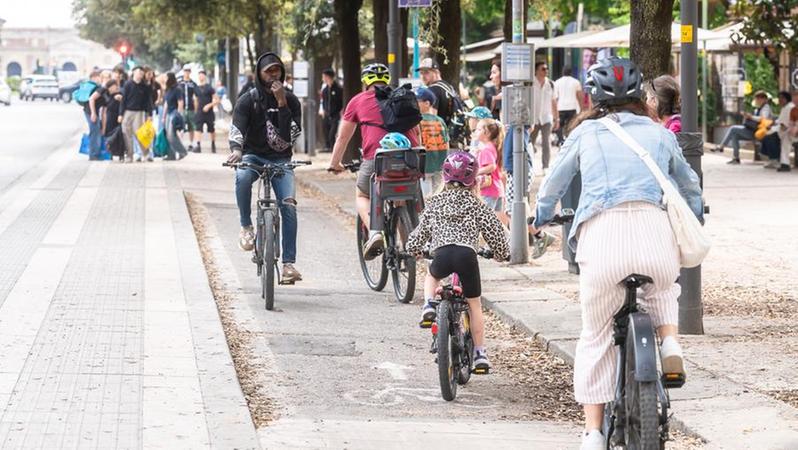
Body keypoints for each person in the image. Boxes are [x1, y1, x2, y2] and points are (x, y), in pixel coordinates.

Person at [530, 57, 703, 449]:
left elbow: (553, 185)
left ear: (593, 96)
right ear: (640, 94)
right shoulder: (660, 134)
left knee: (595, 336)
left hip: (603, 241)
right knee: (663, 288)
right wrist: (695, 215)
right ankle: (670, 343)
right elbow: (689, 185)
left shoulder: (585, 133)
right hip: (654, 234)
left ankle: (593, 433)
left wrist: (540, 217)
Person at [406, 151, 510, 373]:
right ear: (473, 179)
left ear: (444, 176)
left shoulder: (434, 203)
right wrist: (501, 254)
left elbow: (419, 234)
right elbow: (496, 235)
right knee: (474, 305)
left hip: (441, 255)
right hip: (466, 257)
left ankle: (428, 305)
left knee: (432, 275)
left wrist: (414, 250)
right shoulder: (477, 205)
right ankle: (480, 354)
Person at [327, 63, 420, 259]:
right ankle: (410, 250)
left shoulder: (358, 101)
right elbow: (417, 132)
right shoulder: (402, 97)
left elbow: (342, 138)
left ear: (365, 81)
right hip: (410, 159)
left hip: (377, 159)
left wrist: (334, 164)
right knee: (401, 197)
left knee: (362, 195)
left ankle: (375, 232)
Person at [227, 52, 303, 283]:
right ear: (259, 74)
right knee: (242, 176)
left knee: (288, 205)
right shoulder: (248, 100)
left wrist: (281, 103)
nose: (273, 75)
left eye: (277, 70)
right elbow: (237, 128)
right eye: (268, 71)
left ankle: (288, 264)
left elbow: (290, 137)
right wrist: (237, 151)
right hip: (253, 155)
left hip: (281, 159)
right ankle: (246, 226)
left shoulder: (291, 100)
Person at [715, 90, 773, 164]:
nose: (757, 101)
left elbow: (763, 118)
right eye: (756, 99)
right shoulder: (758, 109)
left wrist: (751, 117)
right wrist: (747, 116)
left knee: (733, 128)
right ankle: (736, 158)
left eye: (758, 99)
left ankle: (721, 146)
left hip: (759, 132)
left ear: (764, 99)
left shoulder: (766, 107)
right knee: (734, 135)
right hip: (753, 130)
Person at [415, 87, 449, 196]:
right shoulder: (440, 120)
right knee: (437, 195)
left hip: (424, 165)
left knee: (426, 196)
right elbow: (446, 143)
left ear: (427, 103)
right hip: (440, 164)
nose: (414, 104)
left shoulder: (417, 120)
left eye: (417, 101)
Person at [473, 119, 507, 224]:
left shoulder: (486, 149)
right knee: (495, 222)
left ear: (487, 133)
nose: (476, 131)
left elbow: (491, 166)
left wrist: (475, 172)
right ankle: (506, 234)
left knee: (485, 221)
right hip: (496, 189)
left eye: (479, 129)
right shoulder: (492, 146)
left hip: (488, 190)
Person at [118, 66, 153, 163]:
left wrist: (149, 114)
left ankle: (146, 154)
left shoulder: (144, 86)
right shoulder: (128, 84)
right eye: (138, 72)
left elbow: (148, 101)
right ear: (133, 73)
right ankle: (129, 155)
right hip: (128, 111)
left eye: (142, 74)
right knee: (126, 132)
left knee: (140, 134)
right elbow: (123, 100)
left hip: (139, 112)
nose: (140, 75)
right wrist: (120, 114)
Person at [530, 61, 559, 171]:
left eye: (547, 69)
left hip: (547, 118)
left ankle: (545, 166)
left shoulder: (551, 84)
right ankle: (529, 166)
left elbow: (554, 102)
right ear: (536, 70)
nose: (546, 71)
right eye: (543, 69)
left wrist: (556, 118)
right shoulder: (530, 83)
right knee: (530, 143)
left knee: (546, 143)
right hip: (533, 118)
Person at [417, 58, 459, 127]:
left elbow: (431, 118)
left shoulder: (433, 90)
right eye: (421, 73)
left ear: (437, 72)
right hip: (451, 129)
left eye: (426, 72)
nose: (423, 76)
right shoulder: (448, 87)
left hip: (441, 131)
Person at [760, 91, 794, 172]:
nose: (780, 100)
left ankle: (778, 160)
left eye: (782, 98)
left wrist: (773, 128)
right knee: (766, 135)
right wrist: (773, 124)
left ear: (786, 99)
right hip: (785, 129)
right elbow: (780, 120)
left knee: (771, 136)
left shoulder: (790, 107)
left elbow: (785, 124)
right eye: (779, 98)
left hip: (789, 130)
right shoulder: (785, 107)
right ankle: (774, 159)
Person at [553, 65, 583, 145]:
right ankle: (569, 139)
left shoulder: (557, 82)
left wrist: (554, 110)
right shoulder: (576, 82)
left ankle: (561, 140)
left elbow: (555, 97)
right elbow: (579, 96)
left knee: (560, 125)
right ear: (571, 72)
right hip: (572, 107)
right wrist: (581, 108)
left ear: (563, 72)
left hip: (561, 107)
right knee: (571, 125)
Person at [162, 72, 188, 161]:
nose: (164, 79)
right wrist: (163, 116)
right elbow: (166, 103)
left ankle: (182, 152)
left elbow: (180, 102)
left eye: (166, 77)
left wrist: (178, 114)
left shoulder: (177, 89)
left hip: (174, 113)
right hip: (168, 114)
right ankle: (171, 154)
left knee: (171, 135)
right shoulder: (168, 89)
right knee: (168, 135)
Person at [194, 70, 220, 153]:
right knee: (198, 128)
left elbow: (217, 100)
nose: (200, 77)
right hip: (200, 111)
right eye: (199, 75)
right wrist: (195, 111)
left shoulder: (209, 88)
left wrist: (209, 106)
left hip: (209, 112)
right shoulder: (196, 88)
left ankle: (213, 144)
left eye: (202, 75)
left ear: (205, 76)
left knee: (211, 129)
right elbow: (196, 100)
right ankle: (198, 146)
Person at [320, 68, 343, 153]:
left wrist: (341, 111)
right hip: (327, 114)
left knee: (332, 133)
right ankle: (328, 147)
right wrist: (323, 110)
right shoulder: (325, 90)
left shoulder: (338, 89)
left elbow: (341, 102)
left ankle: (334, 150)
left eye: (324, 77)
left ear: (328, 77)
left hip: (336, 114)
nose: (323, 78)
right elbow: (323, 101)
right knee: (325, 130)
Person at [82, 70, 103, 160]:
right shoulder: (95, 87)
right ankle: (93, 155)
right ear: (94, 77)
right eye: (99, 77)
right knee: (94, 133)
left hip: (88, 111)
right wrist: (93, 113)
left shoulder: (89, 86)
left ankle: (93, 154)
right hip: (91, 112)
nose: (100, 79)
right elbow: (91, 99)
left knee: (94, 132)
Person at [178, 64, 199, 152]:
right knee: (180, 126)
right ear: (183, 71)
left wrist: (196, 109)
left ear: (190, 72)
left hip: (190, 107)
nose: (187, 72)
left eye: (188, 71)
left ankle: (191, 143)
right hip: (182, 108)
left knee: (191, 127)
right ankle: (179, 144)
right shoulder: (179, 82)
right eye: (185, 71)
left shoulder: (193, 83)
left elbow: (196, 96)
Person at [101, 80, 123, 161]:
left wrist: (121, 99)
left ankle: (121, 154)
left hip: (118, 118)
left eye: (115, 86)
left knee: (119, 136)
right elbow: (104, 110)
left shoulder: (120, 94)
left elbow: (124, 103)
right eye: (112, 86)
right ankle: (110, 153)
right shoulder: (106, 96)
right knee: (109, 136)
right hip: (109, 118)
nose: (114, 88)